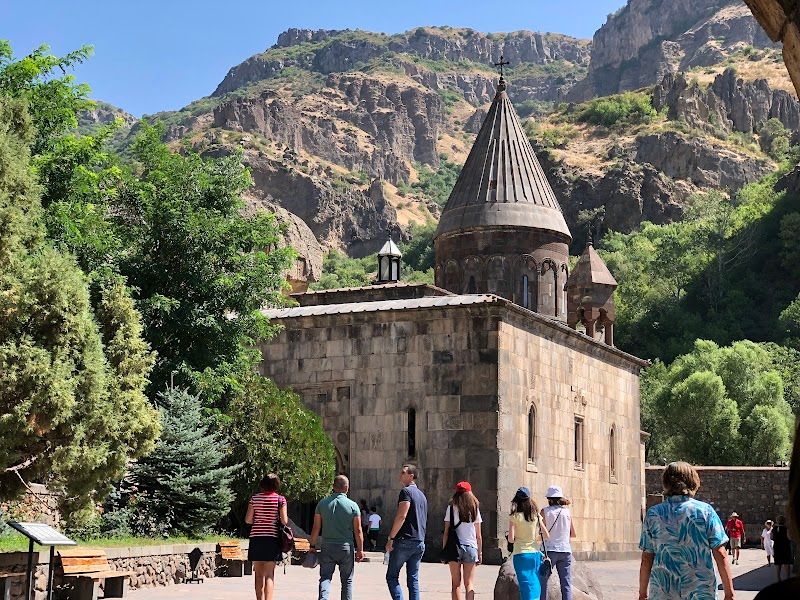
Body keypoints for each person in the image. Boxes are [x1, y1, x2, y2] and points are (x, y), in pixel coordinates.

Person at [638, 461, 735, 600]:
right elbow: (720, 552)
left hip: (663, 590)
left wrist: (642, 593)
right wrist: (729, 592)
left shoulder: (654, 514)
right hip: (700, 591)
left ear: (666, 482)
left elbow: (647, 557)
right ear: (692, 481)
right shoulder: (705, 511)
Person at [754, 420, 800, 598]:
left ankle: (781, 578)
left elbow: (772, 536)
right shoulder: (783, 529)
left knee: (780, 565)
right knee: (785, 564)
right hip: (784, 549)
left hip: (780, 550)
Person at [309, 475, 364, 600]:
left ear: (333, 487)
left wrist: (312, 545)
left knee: (325, 577)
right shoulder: (353, 506)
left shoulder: (322, 504)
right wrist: (360, 549)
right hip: (346, 547)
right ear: (347, 488)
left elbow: (316, 528)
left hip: (327, 546)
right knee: (347, 580)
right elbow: (358, 530)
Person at [386, 464, 428, 600]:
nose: (400, 475)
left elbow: (401, 516)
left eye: (403, 472)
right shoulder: (422, 496)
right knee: (413, 579)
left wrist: (391, 538)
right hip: (419, 541)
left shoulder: (406, 492)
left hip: (405, 540)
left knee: (392, 576)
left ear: (411, 476)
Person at [245, 473, 288, 600]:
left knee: (258, 574)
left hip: (257, 538)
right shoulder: (280, 500)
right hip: (272, 539)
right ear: (276, 484)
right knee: (269, 575)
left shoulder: (254, 499)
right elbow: (285, 521)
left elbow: (248, 520)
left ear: (262, 484)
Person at [442, 481, 483, 600]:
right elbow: (478, 535)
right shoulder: (474, 509)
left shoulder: (451, 508)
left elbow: (446, 532)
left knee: (456, 585)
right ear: (469, 493)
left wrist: (445, 550)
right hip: (471, 547)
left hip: (454, 548)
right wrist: (480, 552)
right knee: (469, 583)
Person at [507, 486, 549, 600]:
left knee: (525, 585)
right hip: (535, 554)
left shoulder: (514, 516)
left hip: (520, 554)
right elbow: (546, 535)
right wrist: (535, 538)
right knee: (534, 583)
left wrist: (517, 537)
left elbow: (511, 539)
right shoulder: (535, 516)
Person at [539, 485, 576, 600]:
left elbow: (541, 532)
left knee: (543, 582)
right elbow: (573, 533)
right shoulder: (567, 512)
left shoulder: (544, 511)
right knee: (566, 583)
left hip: (549, 551)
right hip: (565, 551)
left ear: (549, 499)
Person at [770, 516, 793, 582]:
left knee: (778, 563)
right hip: (785, 547)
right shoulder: (786, 528)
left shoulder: (774, 529)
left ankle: (778, 578)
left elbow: (771, 537)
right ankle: (788, 578)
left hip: (777, 547)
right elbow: (789, 537)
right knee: (786, 562)